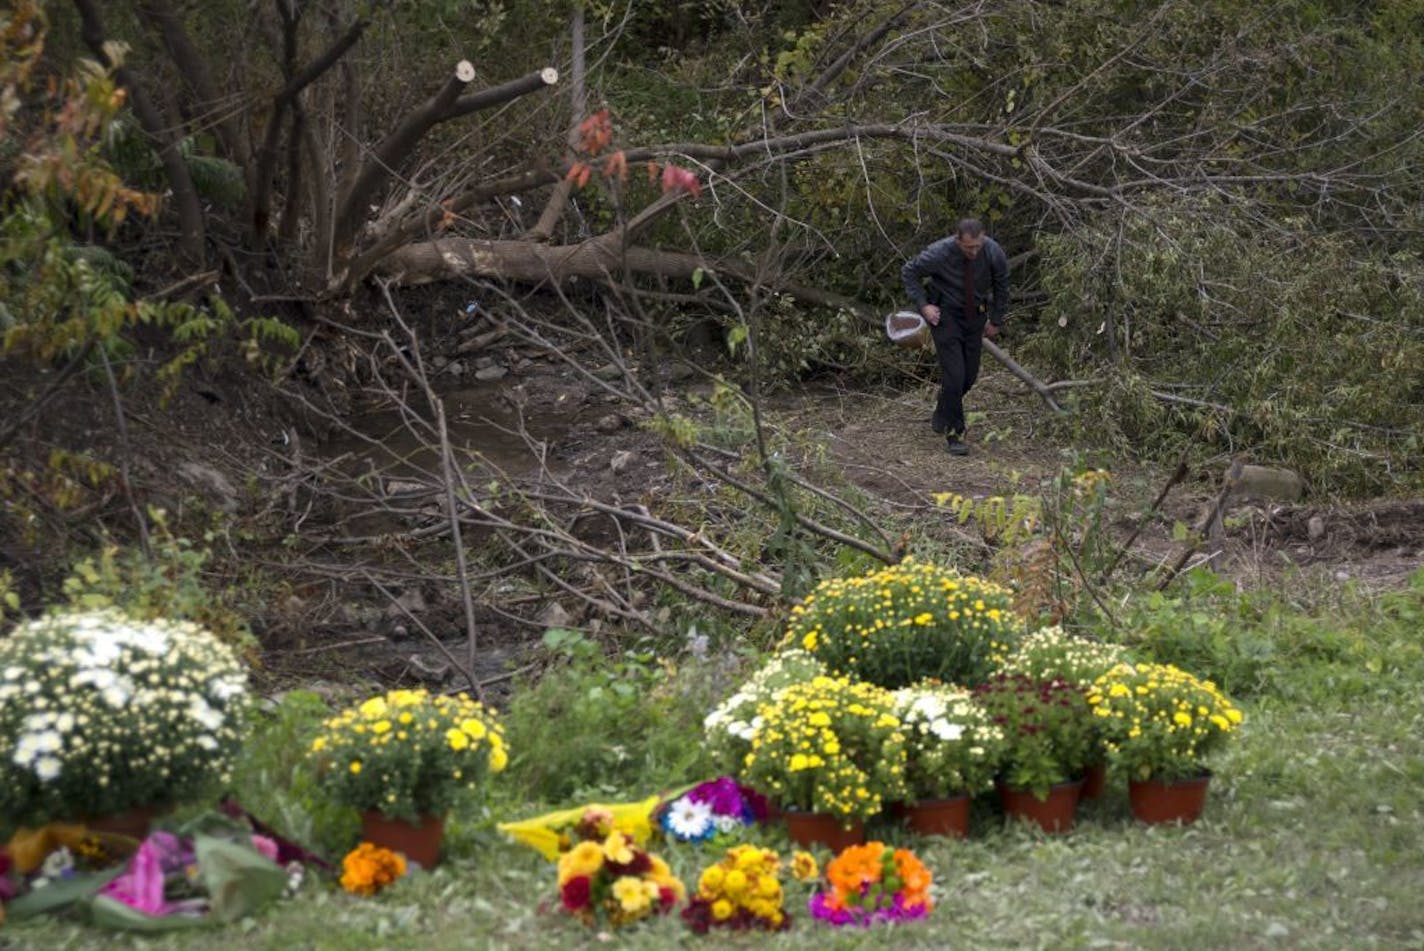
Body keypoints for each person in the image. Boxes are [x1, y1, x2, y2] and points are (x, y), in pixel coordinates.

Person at [901, 218, 1009, 456]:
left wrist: (997, 320)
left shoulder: (993, 252)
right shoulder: (939, 253)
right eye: (968, 247)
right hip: (946, 317)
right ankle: (955, 434)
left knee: (968, 377)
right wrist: (924, 306)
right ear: (958, 240)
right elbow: (909, 272)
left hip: (975, 317)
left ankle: (943, 410)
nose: (973, 251)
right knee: (954, 375)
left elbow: (1002, 286)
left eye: (977, 246)